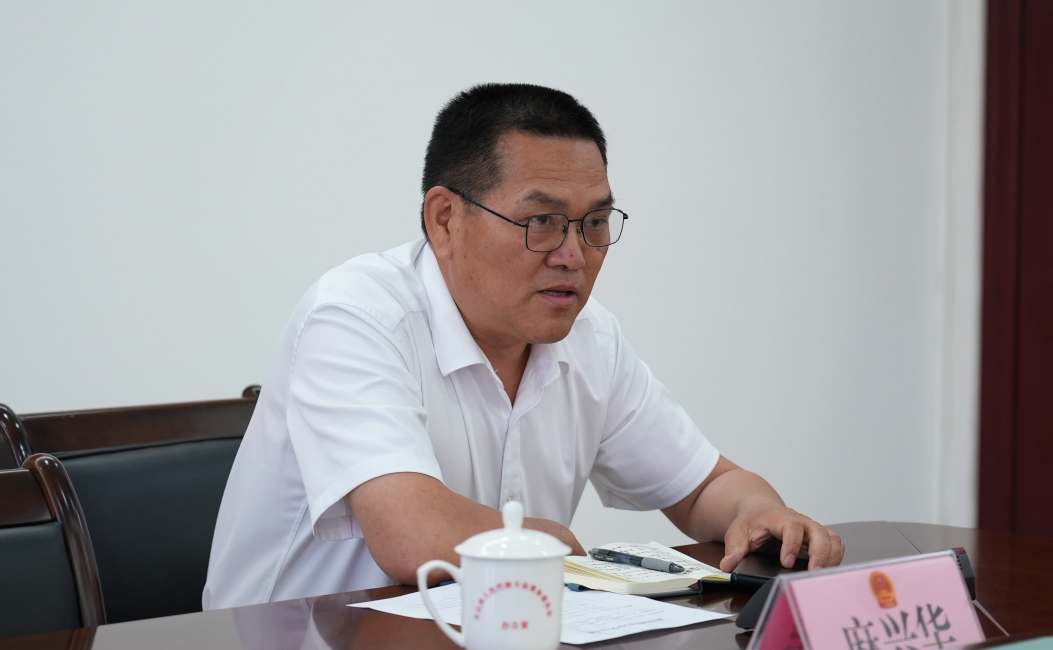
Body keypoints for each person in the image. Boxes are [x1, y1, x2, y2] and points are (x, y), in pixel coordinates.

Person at [203, 83, 843, 609]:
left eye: (595, 223)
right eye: (542, 222)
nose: (574, 255)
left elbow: (703, 489)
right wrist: (566, 552)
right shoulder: (356, 317)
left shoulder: (590, 339)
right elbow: (412, 537)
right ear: (445, 219)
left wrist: (761, 513)